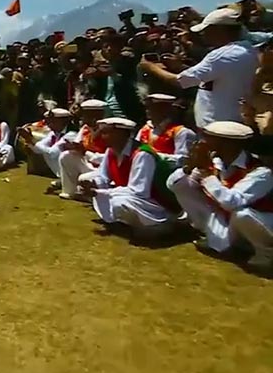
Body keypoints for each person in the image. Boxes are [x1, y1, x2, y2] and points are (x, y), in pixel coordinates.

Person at [168, 121, 273, 271]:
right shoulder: (214, 162)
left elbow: (231, 202)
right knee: (183, 186)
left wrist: (206, 174)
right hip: (230, 223)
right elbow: (174, 185)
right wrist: (188, 167)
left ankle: (267, 253)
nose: (203, 142)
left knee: (242, 214)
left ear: (228, 145)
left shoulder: (261, 172)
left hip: (262, 223)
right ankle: (215, 238)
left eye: (210, 139)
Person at [140, 7, 258, 127]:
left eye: (206, 30)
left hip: (218, 126)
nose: (203, 34)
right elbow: (211, 77)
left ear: (219, 30)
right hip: (232, 120)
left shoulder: (222, 55)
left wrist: (150, 67)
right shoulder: (248, 51)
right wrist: (180, 67)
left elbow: (181, 81)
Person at [80, 117, 179, 239]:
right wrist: (93, 184)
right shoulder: (111, 151)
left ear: (120, 134)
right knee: (96, 186)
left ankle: (159, 226)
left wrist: (101, 192)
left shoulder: (142, 154)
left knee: (120, 203)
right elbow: (103, 176)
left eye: (106, 133)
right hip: (132, 195)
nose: (101, 136)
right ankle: (121, 222)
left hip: (154, 202)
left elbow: (139, 191)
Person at [57, 99, 107, 201]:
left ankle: (93, 196)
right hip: (88, 164)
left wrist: (85, 152)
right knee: (66, 155)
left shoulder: (108, 131)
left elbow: (108, 158)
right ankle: (70, 191)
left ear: (97, 115)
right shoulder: (85, 128)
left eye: (86, 115)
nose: (83, 118)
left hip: (103, 169)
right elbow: (77, 145)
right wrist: (71, 146)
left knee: (84, 179)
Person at [135, 94, 196, 167]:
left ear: (165, 109)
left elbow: (184, 161)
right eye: (147, 107)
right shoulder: (144, 130)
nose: (148, 110)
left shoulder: (182, 132)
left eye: (153, 107)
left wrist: (155, 156)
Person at [22, 107, 73, 193]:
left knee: (57, 155)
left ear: (64, 122)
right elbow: (39, 148)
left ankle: (69, 181)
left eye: (53, 121)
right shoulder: (53, 133)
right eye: (49, 120)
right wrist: (30, 143)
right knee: (43, 151)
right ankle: (63, 179)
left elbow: (52, 153)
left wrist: (31, 140)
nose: (49, 123)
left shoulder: (71, 134)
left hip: (79, 169)